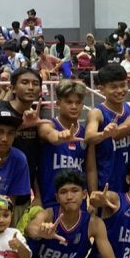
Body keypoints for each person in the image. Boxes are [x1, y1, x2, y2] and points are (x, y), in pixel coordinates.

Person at [85, 63, 130, 193]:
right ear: (101, 89)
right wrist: (104, 134)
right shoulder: (97, 113)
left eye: (123, 85)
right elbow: (89, 136)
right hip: (108, 183)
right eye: (113, 87)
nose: (120, 90)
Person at [0, 67, 45, 194]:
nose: (30, 87)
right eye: (25, 82)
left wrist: (37, 195)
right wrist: (21, 125)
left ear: (40, 91)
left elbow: (34, 160)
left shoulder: (37, 117)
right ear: (13, 88)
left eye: (35, 84)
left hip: (22, 189)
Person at [36, 80, 86, 212]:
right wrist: (59, 136)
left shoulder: (85, 132)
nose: (74, 106)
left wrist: (91, 196)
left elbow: (91, 168)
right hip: (50, 201)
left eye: (78, 103)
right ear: (58, 104)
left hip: (78, 204)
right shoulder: (48, 124)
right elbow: (49, 134)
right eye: (69, 102)